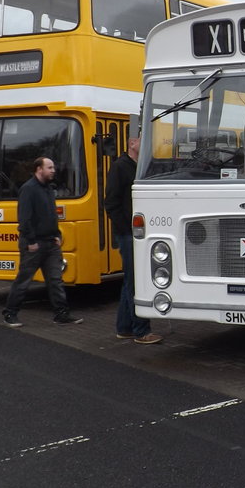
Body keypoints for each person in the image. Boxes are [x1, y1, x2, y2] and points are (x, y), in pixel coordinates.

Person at [1, 156, 82, 327]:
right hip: (34, 244)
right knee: (24, 280)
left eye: (53, 167)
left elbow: (51, 215)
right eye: (50, 167)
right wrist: (31, 240)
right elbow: (24, 218)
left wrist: (57, 235)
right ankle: (10, 313)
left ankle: (61, 314)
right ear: (39, 169)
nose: (53, 170)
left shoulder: (48, 189)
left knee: (55, 280)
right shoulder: (28, 189)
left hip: (50, 243)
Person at [104, 134, 161, 344]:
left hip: (139, 233)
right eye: (142, 140)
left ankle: (124, 327)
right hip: (130, 234)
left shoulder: (142, 167)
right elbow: (111, 203)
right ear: (132, 143)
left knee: (130, 279)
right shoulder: (120, 167)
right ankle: (141, 330)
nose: (147, 145)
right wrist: (126, 230)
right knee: (136, 281)